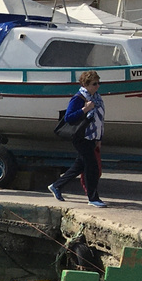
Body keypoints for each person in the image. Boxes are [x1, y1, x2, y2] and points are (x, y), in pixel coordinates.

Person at [49, 70, 106, 207]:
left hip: (92, 137)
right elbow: (69, 117)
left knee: (79, 166)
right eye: (94, 84)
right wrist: (84, 110)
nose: (97, 86)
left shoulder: (96, 98)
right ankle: (93, 198)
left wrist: (99, 138)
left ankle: (56, 185)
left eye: (98, 83)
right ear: (86, 85)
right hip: (81, 137)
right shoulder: (78, 98)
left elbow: (99, 121)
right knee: (91, 167)